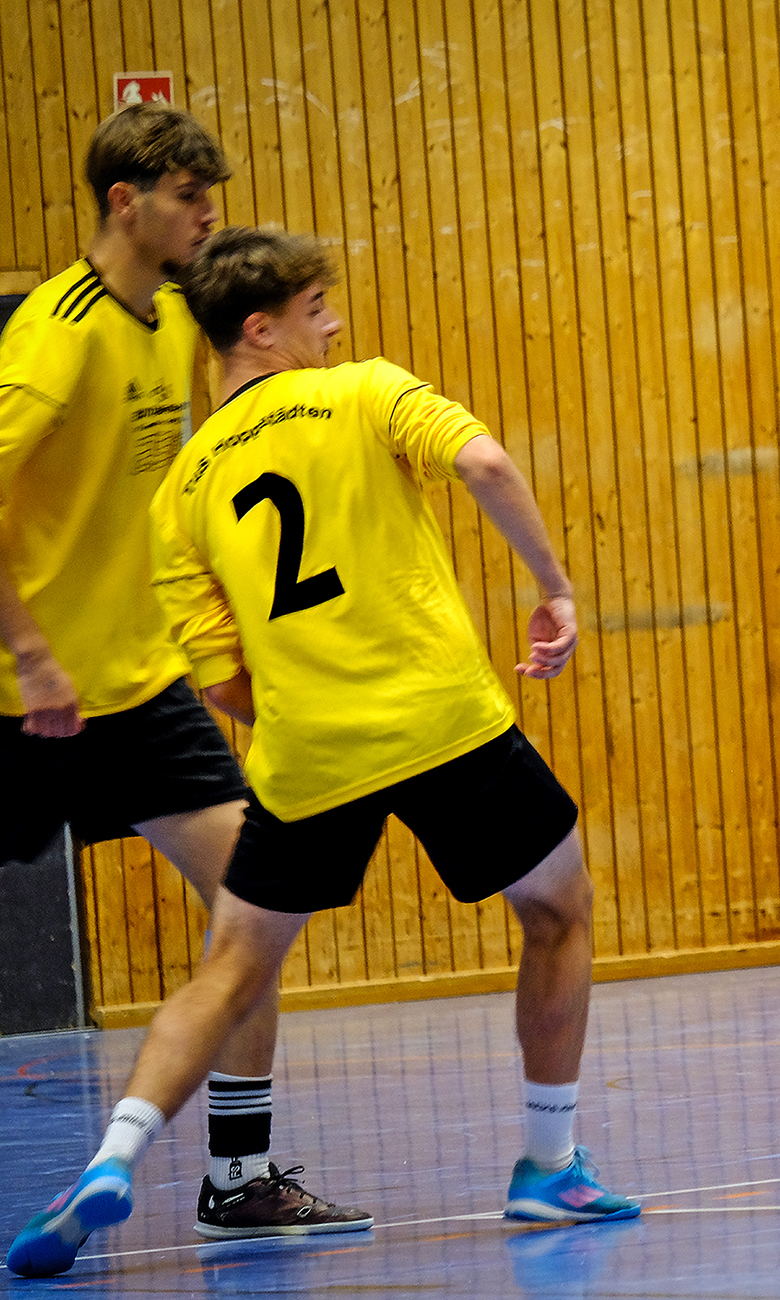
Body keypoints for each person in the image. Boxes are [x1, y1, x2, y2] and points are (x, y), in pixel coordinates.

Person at [6, 227, 638, 1279]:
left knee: (232, 965)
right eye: (315, 309)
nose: (334, 325)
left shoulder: (183, 488)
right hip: (442, 719)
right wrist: (554, 588)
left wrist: (313, 706)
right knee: (559, 906)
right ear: (260, 328)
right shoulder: (363, 391)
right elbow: (482, 460)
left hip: (305, 748)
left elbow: (221, 684)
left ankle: (112, 1157)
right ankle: (548, 1166)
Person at [0, 103, 368, 1239]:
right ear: (127, 202)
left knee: (254, 912)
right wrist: (30, 651)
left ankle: (238, 1177)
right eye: (190, 198)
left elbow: (183, 497)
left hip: (141, 686)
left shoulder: (169, 321)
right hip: (23, 698)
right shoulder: (55, 336)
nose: (208, 217)